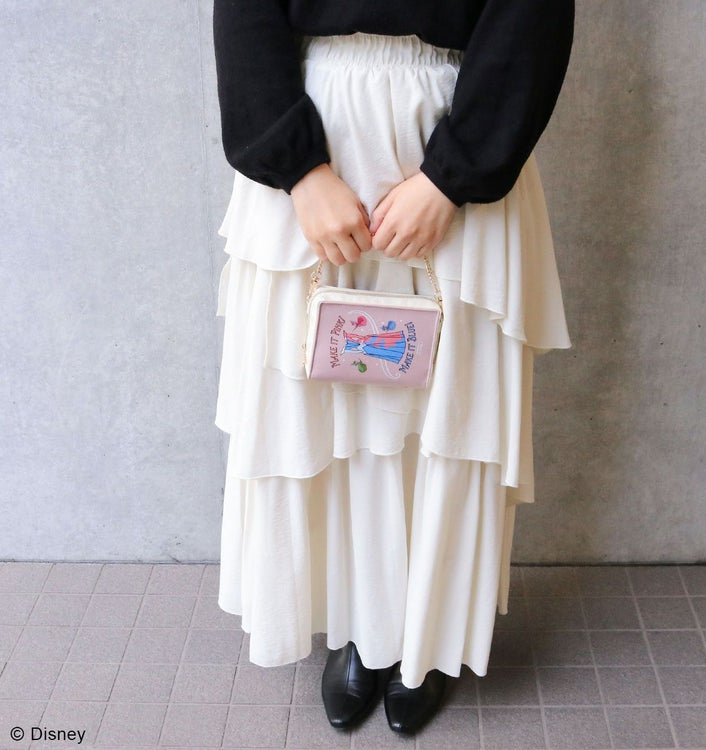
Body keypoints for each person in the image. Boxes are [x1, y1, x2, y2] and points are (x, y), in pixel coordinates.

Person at [212, 0, 575, 735]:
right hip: (318, 124)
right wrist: (297, 167)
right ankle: (360, 624)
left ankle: (427, 635)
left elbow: (531, 13)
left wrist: (452, 174)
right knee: (323, 396)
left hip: (451, 112)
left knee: (450, 405)